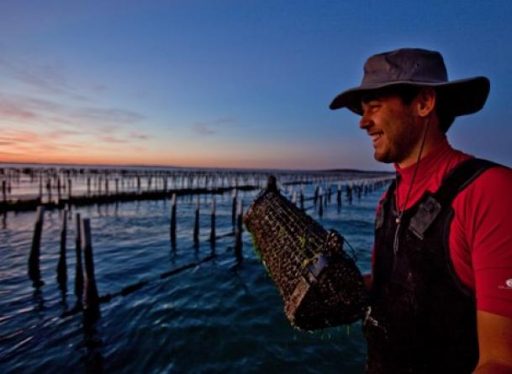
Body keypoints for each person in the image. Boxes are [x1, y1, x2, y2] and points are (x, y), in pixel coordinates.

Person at [329, 48, 512, 373]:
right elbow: (392, 285)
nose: (362, 122)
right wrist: (342, 290)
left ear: (425, 103)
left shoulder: (490, 192)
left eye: (374, 106)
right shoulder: (389, 201)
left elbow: (500, 361)